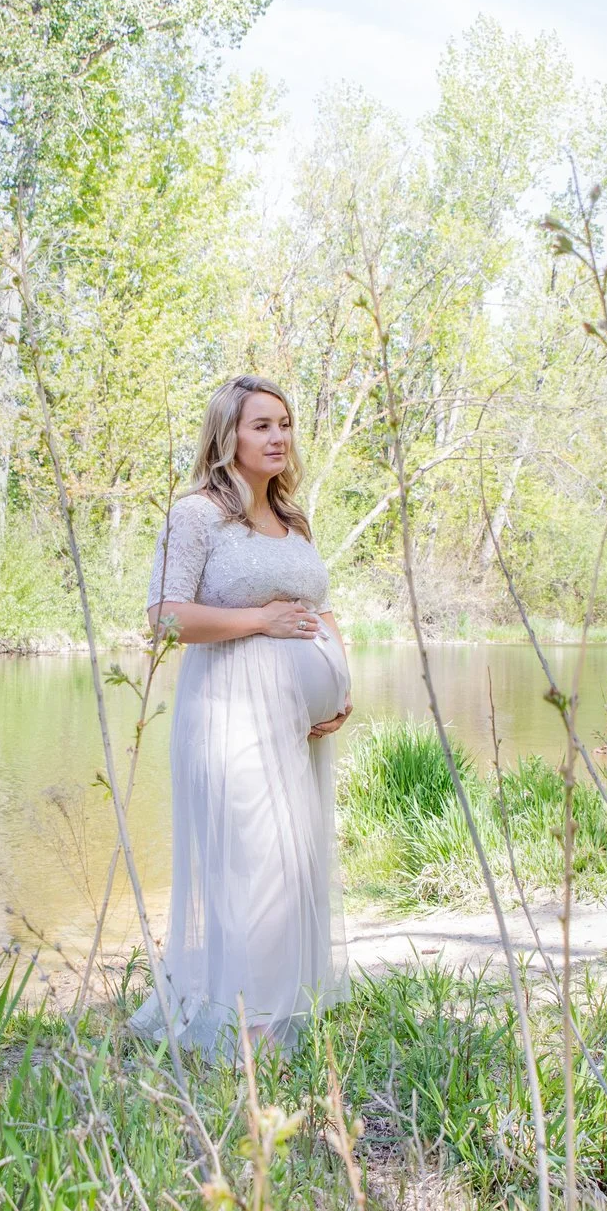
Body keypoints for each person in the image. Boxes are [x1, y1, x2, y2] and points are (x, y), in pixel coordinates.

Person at [131, 374, 352, 1055]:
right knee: (249, 859)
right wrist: (260, 619)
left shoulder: (294, 520)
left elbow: (320, 608)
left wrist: (342, 688)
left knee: (294, 861)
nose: (279, 435)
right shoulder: (196, 514)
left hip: (298, 723)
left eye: (284, 422)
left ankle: (283, 1001)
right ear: (227, 435)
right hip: (230, 709)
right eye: (262, 424)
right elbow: (163, 619)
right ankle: (235, 1015)